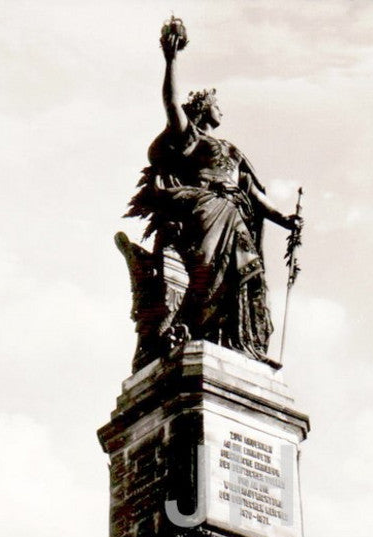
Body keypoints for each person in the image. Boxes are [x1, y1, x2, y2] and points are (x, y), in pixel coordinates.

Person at [127, 23, 301, 362]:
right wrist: (170, 59)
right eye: (216, 104)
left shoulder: (233, 151)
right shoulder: (191, 139)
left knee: (246, 273)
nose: (221, 110)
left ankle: (238, 343)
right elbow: (171, 102)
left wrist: (285, 220)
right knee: (208, 275)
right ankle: (192, 330)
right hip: (208, 209)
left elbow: (254, 197)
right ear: (203, 108)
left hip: (236, 214)